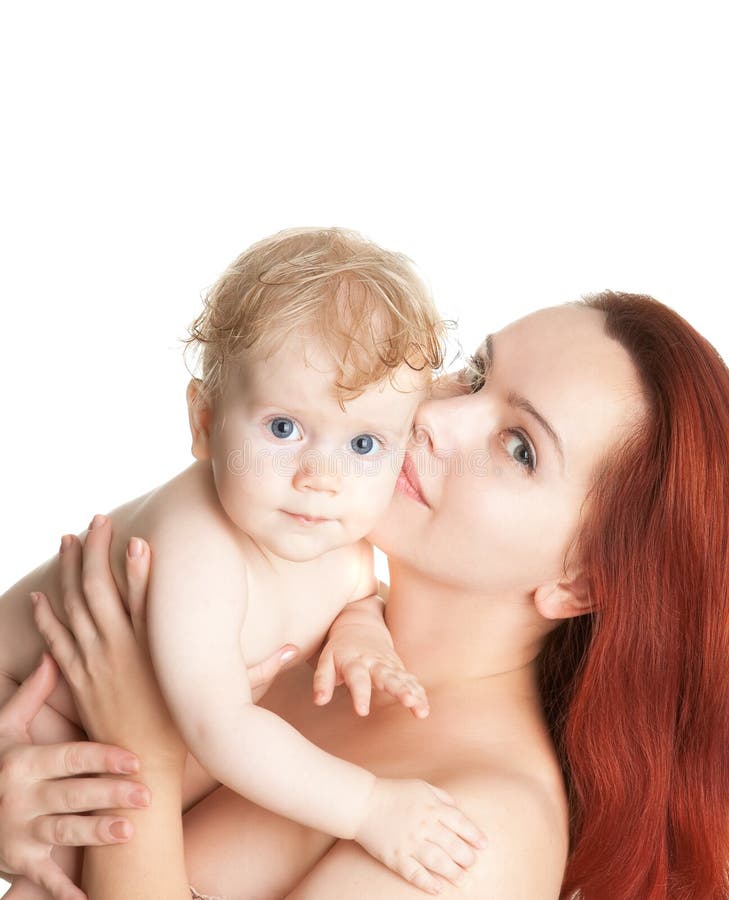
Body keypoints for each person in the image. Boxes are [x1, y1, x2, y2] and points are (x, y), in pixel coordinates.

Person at [4, 291, 729, 899]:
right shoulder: (299, 616)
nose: (434, 418)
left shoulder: (478, 830)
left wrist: (141, 764)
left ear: (577, 583)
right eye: (474, 374)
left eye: (518, 447)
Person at [0, 226, 491, 899]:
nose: (321, 476)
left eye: (364, 443)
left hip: (93, 743)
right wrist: (370, 808)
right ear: (204, 422)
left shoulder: (334, 529)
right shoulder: (194, 548)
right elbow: (221, 728)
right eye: (283, 430)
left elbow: (355, 592)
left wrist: (361, 629)